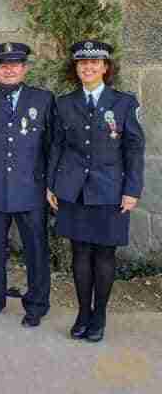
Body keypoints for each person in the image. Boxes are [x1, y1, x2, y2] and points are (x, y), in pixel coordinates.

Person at [47, 40, 144, 343]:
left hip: (110, 192)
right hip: (73, 190)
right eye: (82, 63)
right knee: (80, 253)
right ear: (75, 68)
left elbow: (134, 149)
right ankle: (82, 313)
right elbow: (56, 147)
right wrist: (51, 183)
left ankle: (99, 314)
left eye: (94, 62)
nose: (87, 67)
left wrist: (132, 190)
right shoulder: (64, 104)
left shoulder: (124, 103)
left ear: (105, 67)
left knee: (104, 255)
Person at [0, 42, 54, 327]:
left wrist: (51, 185)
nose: (9, 69)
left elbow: (52, 147)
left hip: (30, 189)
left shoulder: (43, 100)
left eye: (15, 64)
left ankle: (37, 305)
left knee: (36, 251)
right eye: (3, 65)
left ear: (24, 68)